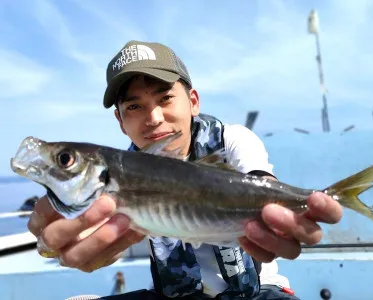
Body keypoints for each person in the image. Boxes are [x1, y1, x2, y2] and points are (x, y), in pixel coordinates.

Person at [27, 40, 343, 299]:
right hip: (173, 295)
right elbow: (83, 227)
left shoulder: (231, 140)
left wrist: (286, 214)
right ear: (121, 121)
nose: (153, 119)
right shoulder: (115, 172)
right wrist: (50, 243)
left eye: (165, 98)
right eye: (134, 106)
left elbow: (259, 180)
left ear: (193, 101)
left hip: (258, 291)